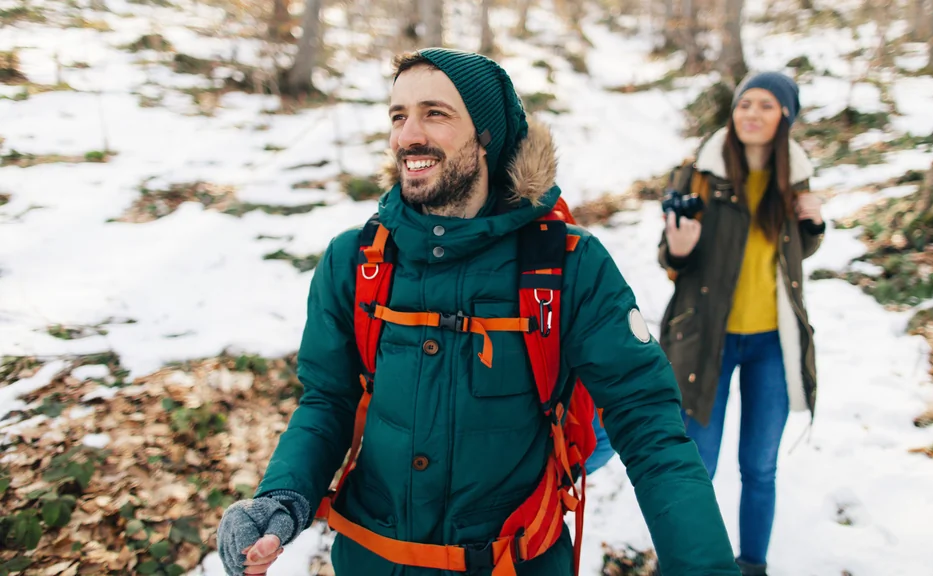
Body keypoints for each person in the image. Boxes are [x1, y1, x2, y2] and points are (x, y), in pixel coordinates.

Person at [216, 48, 739, 576]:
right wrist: (281, 499)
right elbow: (327, 401)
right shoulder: (357, 260)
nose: (407, 135)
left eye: (434, 113)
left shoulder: (567, 265)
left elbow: (649, 426)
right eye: (398, 116)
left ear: (486, 136)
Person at [655, 72, 825, 576]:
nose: (751, 113)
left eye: (765, 105)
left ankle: (752, 566)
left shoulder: (793, 178)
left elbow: (791, 254)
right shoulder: (700, 175)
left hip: (772, 343)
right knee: (696, 469)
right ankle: (683, 566)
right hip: (707, 339)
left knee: (760, 468)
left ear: (785, 118)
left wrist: (811, 226)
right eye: (744, 103)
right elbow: (671, 254)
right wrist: (677, 250)